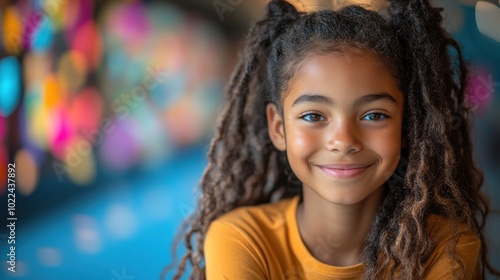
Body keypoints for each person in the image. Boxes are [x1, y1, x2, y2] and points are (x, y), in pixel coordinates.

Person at [168, 0, 500, 279]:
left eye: (374, 115)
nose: (343, 141)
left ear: (408, 125)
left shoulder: (447, 246)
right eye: (313, 116)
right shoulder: (240, 239)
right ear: (278, 128)